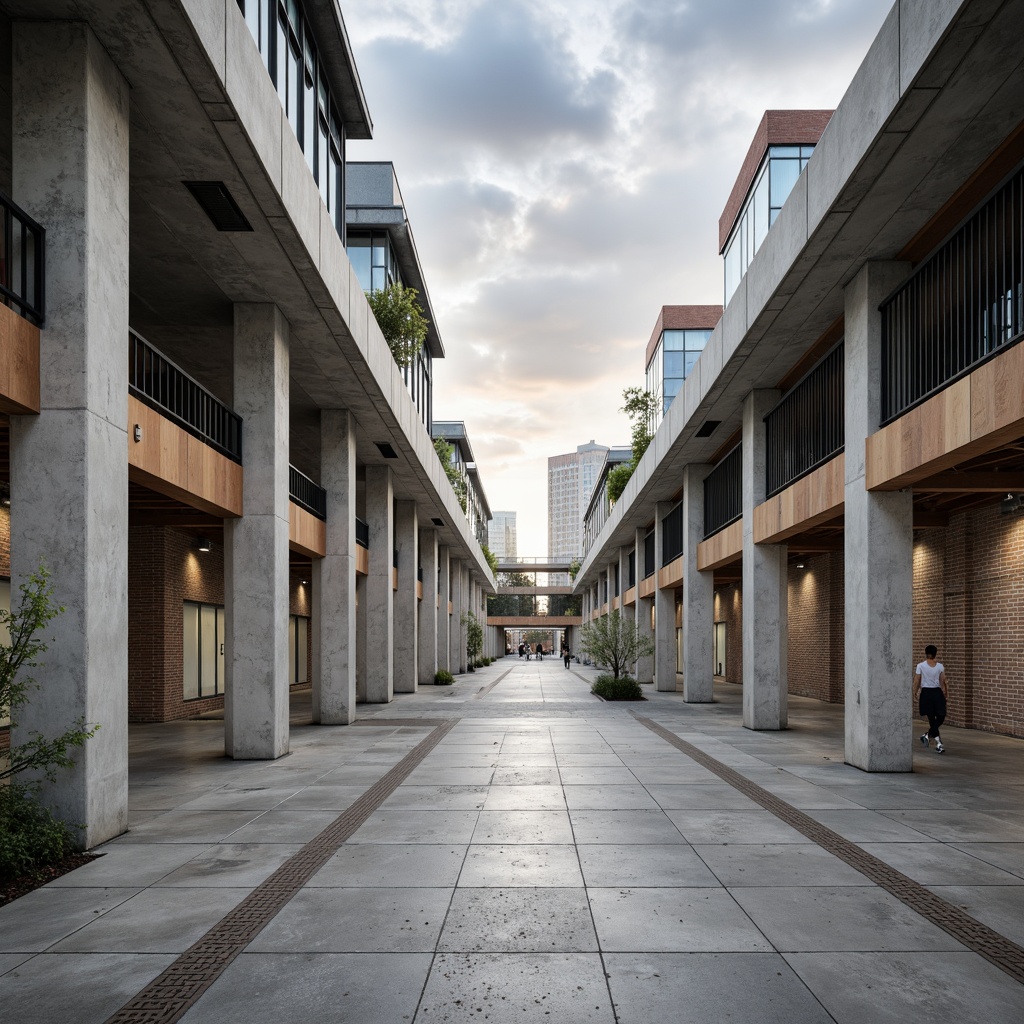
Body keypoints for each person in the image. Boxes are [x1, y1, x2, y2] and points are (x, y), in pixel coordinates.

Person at [913, 644, 948, 753]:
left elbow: (943, 680)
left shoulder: (939, 666)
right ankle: (939, 744)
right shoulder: (921, 666)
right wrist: (914, 692)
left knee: (941, 716)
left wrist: (914, 692)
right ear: (935, 653)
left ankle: (927, 735)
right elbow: (917, 680)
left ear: (926, 653)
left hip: (934, 692)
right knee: (932, 718)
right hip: (929, 692)